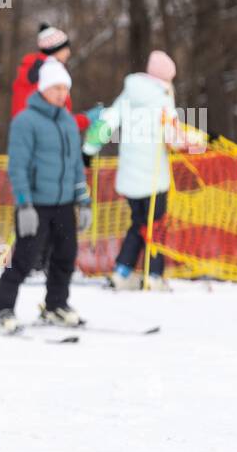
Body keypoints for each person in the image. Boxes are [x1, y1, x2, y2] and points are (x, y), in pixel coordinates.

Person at [0, 60, 92, 334]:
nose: (62, 93)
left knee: (65, 257)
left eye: (65, 88)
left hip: (64, 204)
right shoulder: (25, 121)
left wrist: (83, 200)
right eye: (56, 87)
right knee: (24, 259)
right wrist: (24, 204)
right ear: (44, 88)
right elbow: (18, 166)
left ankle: (56, 305)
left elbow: (75, 166)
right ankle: (2, 310)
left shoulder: (69, 123)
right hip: (35, 205)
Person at [83, 50, 194, 291]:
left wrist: (89, 149)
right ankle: (153, 275)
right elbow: (174, 138)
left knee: (138, 224)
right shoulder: (163, 98)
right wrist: (197, 143)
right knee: (156, 226)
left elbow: (107, 122)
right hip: (155, 179)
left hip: (130, 179)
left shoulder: (128, 93)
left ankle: (122, 271)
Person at [11, 23, 96, 135]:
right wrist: (86, 119)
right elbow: (56, 121)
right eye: (66, 48)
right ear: (55, 49)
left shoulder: (33, 70)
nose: (69, 53)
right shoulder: (49, 74)